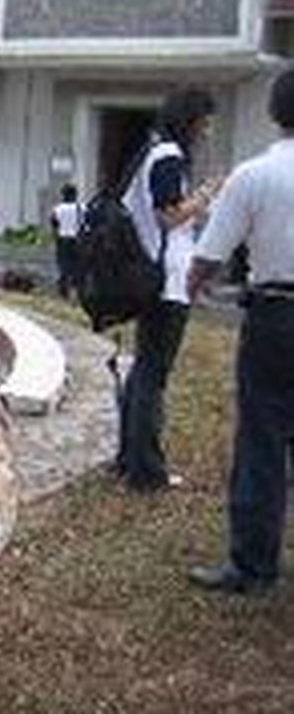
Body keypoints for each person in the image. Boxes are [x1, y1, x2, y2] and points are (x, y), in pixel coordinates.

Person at [186, 68, 294, 594]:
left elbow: (208, 254)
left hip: (276, 316)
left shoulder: (253, 175)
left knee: (264, 436)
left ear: (276, 112)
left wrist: (194, 285)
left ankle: (253, 565)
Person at [115, 88, 220, 492]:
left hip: (153, 276)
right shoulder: (168, 157)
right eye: (205, 121)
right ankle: (146, 469)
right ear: (191, 120)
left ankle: (130, 458)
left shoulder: (151, 152)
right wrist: (207, 196)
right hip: (166, 279)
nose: (208, 131)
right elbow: (169, 215)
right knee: (152, 375)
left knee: (144, 370)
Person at [50, 183, 82, 299]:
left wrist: (56, 239)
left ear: (63, 195)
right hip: (77, 239)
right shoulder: (81, 208)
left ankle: (63, 291)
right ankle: (76, 290)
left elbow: (54, 225)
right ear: (75, 195)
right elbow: (85, 224)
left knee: (63, 266)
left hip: (62, 239)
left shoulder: (57, 209)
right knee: (77, 266)